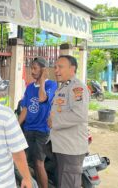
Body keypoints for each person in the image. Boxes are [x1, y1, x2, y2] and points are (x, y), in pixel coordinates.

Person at [48, 55, 89, 188]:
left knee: (69, 184)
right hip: (62, 146)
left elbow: (79, 115)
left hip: (71, 149)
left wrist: (54, 121)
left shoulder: (77, 88)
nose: (56, 70)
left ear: (72, 69)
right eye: (55, 67)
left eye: (60, 67)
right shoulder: (63, 87)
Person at [18, 57, 57, 188]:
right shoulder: (29, 87)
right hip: (29, 129)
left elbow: (42, 98)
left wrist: (42, 80)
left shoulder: (51, 85)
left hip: (42, 130)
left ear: (43, 70)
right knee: (29, 162)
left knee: (39, 163)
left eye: (35, 68)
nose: (32, 71)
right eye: (31, 68)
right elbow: (25, 108)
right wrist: (17, 125)